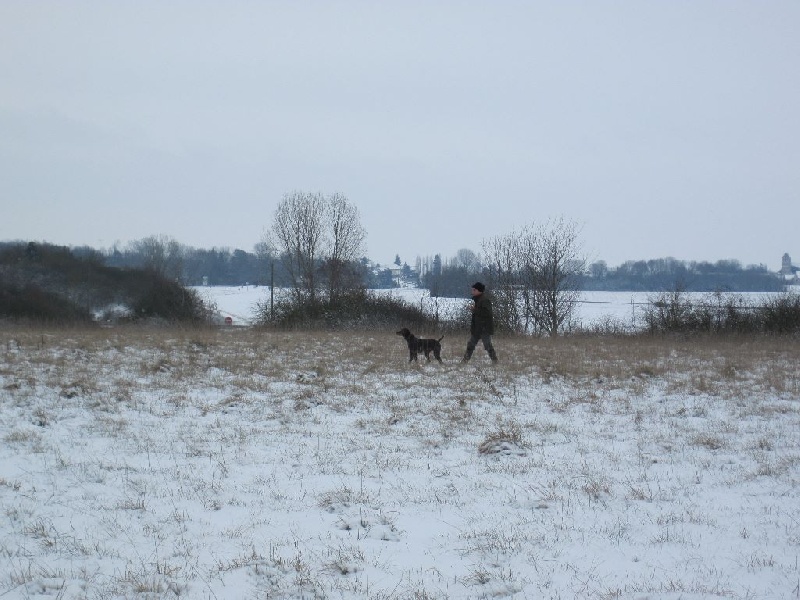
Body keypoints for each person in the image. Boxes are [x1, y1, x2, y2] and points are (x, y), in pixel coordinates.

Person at [462, 281, 498, 363]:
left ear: (479, 291)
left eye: (474, 290)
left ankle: (495, 361)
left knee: (488, 346)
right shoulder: (477, 300)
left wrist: (474, 309)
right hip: (477, 328)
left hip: (484, 328)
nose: (472, 291)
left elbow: (487, 313)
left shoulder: (485, 300)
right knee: (470, 345)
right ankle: (464, 361)